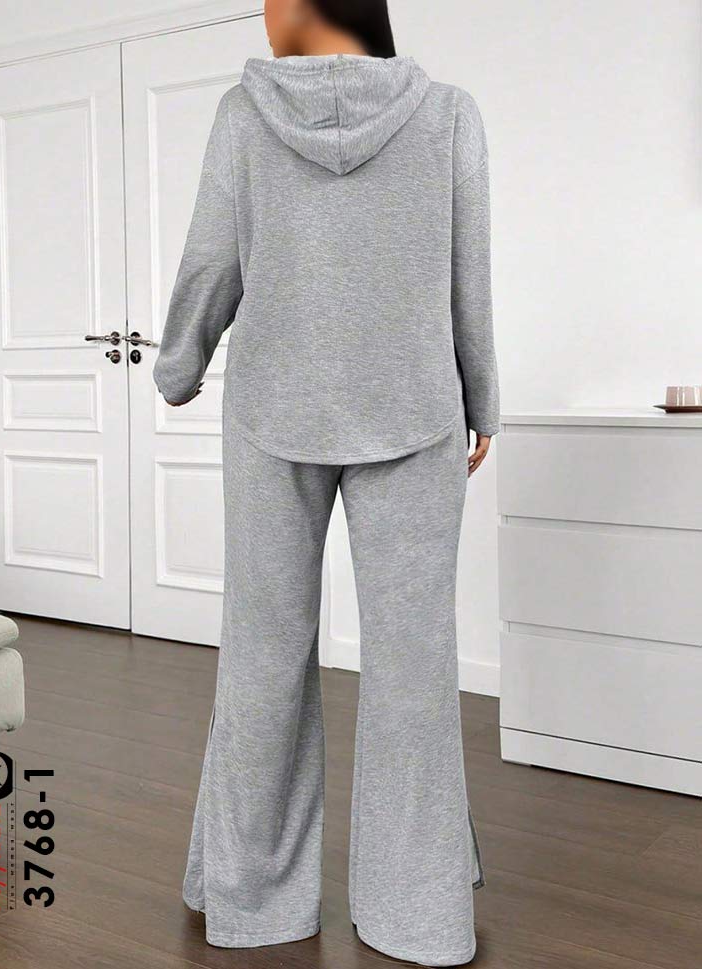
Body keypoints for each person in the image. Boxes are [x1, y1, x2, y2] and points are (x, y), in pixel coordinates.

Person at [153, 0, 498, 964]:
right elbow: (467, 270)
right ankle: (418, 915)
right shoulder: (448, 114)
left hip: (273, 411)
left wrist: (178, 364)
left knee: (260, 658)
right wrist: (482, 398)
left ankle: (252, 898)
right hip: (416, 411)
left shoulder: (242, 115)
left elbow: (212, 258)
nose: (263, 11)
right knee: (414, 671)